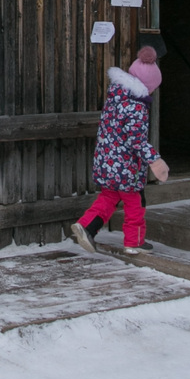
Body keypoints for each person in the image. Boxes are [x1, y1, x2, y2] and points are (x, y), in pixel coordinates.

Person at [71, 46, 169, 255]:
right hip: (127, 168)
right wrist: (155, 160)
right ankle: (134, 242)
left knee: (108, 197)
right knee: (136, 203)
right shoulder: (137, 107)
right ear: (147, 86)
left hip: (107, 162)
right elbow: (136, 140)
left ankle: (87, 226)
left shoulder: (115, 99)